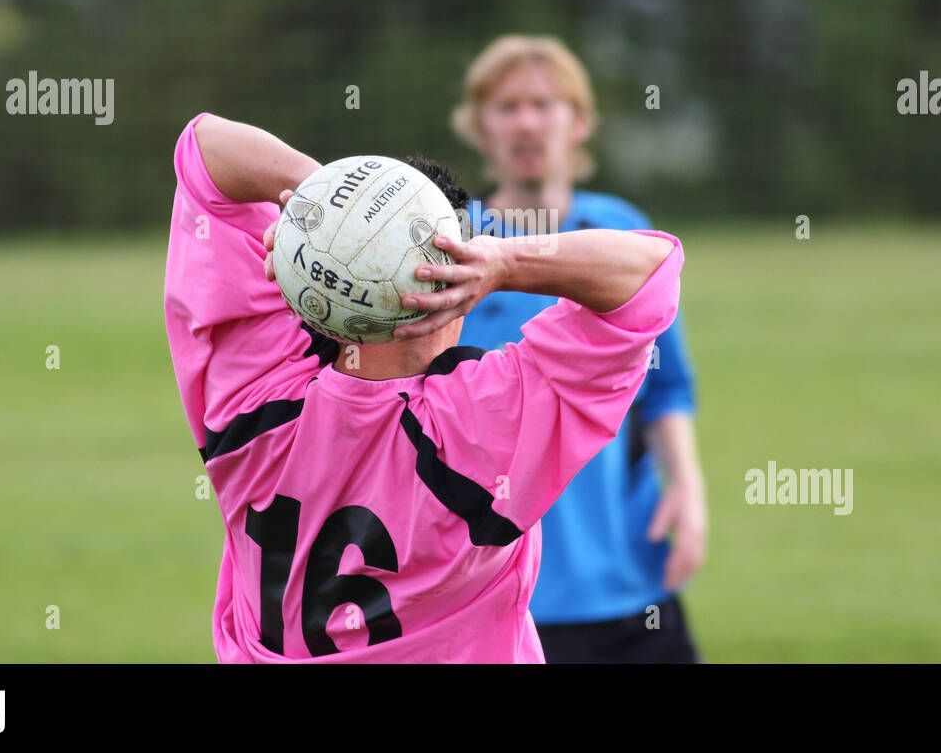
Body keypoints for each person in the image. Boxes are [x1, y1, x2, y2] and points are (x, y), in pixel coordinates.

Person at [162, 112, 683, 662]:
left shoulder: (251, 396)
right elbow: (649, 273)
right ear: (455, 266)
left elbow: (204, 151)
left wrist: (331, 220)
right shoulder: (480, 430)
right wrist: (504, 261)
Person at [450, 35, 706, 663]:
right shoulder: (451, 247)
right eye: (506, 106)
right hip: (503, 593)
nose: (527, 121)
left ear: (579, 121)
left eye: (544, 102)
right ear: (479, 127)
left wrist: (687, 486)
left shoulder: (622, 232)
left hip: (628, 577)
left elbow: (666, 384)